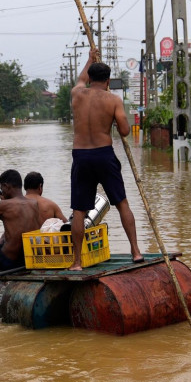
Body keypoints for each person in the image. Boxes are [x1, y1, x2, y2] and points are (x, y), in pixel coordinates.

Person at [70, 47, 143, 270]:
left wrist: (89, 59)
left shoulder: (76, 94)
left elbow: (81, 79)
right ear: (108, 80)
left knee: (79, 211)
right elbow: (125, 131)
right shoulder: (113, 100)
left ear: (90, 78)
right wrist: (113, 120)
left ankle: (77, 262)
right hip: (103, 154)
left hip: (81, 155)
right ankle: (136, 252)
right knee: (121, 203)